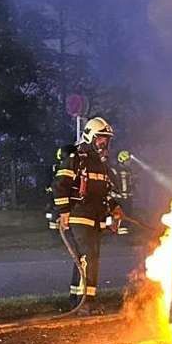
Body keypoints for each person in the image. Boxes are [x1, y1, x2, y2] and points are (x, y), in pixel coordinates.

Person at [52, 117, 124, 314]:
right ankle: (86, 304)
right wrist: (64, 212)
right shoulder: (77, 159)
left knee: (87, 259)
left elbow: (105, 193)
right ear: (90, 136)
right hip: (79, 216)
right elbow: (59, 186)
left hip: (95, 218)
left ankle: (78, 299)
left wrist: (115, 208)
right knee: (88, 257)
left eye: (107, 139)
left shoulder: (101, 165)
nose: (104, 142)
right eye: (101, 138)